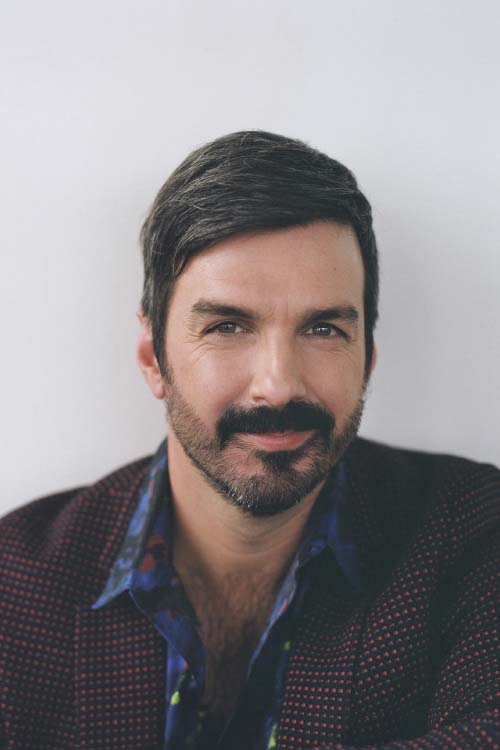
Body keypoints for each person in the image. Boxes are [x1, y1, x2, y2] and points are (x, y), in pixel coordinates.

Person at [0, 131, 498, 750]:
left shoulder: (476, 533)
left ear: (367, 356)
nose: (278, 384)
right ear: (153, 357)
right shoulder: (14, 587)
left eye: (323, 329)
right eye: (228, 326)